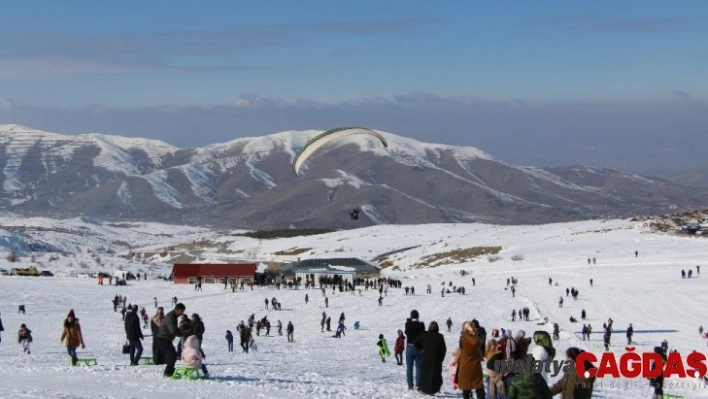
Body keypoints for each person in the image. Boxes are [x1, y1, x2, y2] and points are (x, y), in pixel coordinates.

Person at [413, 321, 447, 395]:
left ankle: (424, 389)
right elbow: (443, 349)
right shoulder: (440, 336)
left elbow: (415, 342)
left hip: (426, 358)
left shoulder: (424, 334)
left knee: (425, 374)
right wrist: (441, 359)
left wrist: (421, 350)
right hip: (436, 359)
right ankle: (433, 390)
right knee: (434, 375)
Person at [156, 303, 186, 378]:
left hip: (166, 339)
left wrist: (182, 331)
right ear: (178, 310)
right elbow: (173, 330)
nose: (182, 313)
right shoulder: (171, 317)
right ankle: (167, 372)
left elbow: (174, 329)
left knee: (173, 355)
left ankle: (170, 371)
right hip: (162, 339)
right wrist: (183, 333)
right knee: (172, 354)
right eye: (182, 311)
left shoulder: (174, 316)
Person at [458, 321, 485, 399]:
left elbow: (461, 348)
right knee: (479, 386)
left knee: (466, 387)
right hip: (476, 365)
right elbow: (481, 341)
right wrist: (475, 333)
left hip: (465, 364)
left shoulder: (462, 338)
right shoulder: (478, 338)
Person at [405, 310, 426, 390]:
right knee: (419, 367)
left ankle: (410, 385)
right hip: (418, 348)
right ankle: (418, 384)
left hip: (409, 347)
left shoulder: (408, 324)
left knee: (409, 367)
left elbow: (406, 332)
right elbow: (423, 335)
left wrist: (409, 320)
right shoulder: (421, 325)